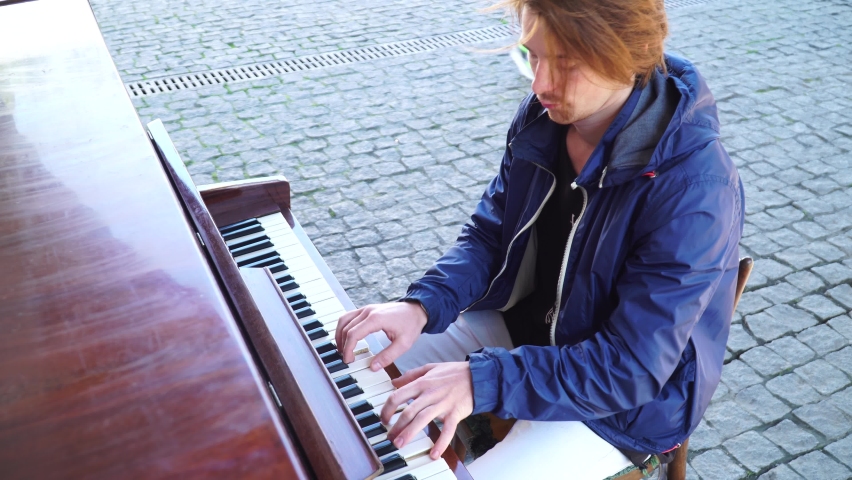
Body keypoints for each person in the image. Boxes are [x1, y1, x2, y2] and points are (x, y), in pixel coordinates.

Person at [336, 0, 744, 477]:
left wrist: (481, 380)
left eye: (566, 64)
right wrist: (423, 305)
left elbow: (631, 367)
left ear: (628, 57)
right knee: (352, 375)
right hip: (527, 331)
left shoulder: (697, 188)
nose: (540, 84)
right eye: (532, 55)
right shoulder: (542, 118)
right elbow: (491, 234)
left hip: (621, 409)